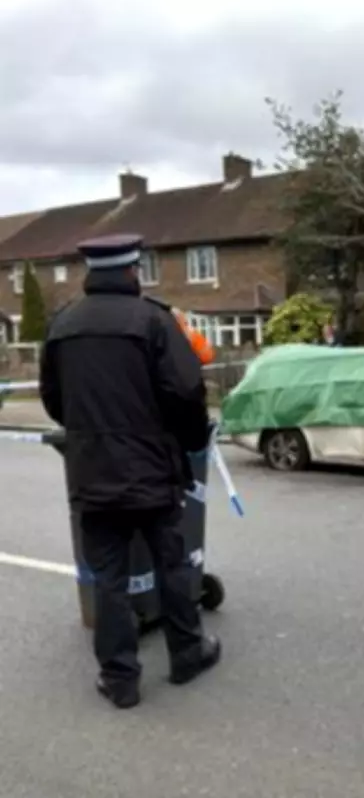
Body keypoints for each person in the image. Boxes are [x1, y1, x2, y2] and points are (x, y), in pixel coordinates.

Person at [39, 233, 221, 710]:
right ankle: (186, 655)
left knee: (109, 577)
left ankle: (120, 679)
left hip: (92, 473)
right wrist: (194, 441)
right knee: (172, 564)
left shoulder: (62, 325)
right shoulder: (154, 321)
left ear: (90, 274)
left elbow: (54, 401)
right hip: (153, 471)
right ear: (132, 272)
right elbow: (185, 393)